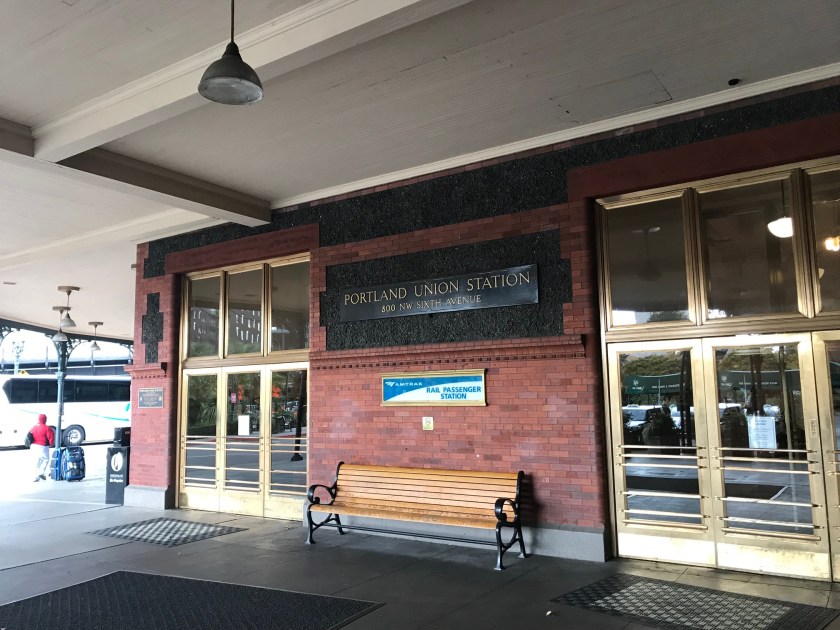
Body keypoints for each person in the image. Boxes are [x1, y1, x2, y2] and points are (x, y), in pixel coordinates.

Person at [29, 413, 55, 482]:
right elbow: (51, 438)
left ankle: (36, 477)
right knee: (45, 459)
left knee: (37, 462)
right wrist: (51, 444)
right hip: (42, 447)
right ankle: (41, 473)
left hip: (34, 446)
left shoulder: (34, 427)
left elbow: (29, 435)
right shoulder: (47, 428)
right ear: (45, 420)